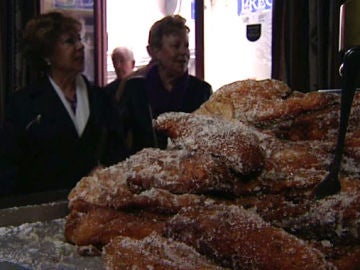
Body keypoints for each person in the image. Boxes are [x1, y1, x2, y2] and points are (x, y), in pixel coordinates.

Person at [0, 11, 122, 196]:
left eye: (80, 39)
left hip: (95, 207)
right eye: (69, 41)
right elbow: (10, 169)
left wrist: (107, 172)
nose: (80, 46)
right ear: (47, 54)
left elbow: (118, 151)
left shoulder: (101, 98)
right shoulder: (23, 104)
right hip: (43, 210)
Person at [116, 15, 212, 156]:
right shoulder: (135, 90)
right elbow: (117, 140)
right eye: (175, 46)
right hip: (143, 173)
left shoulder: (202, 91)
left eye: (186, 46)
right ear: (154, 51)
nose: (183, 53)